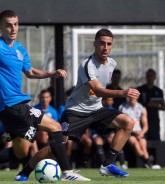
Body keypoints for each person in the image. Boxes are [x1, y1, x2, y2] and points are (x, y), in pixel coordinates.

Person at [0, 10, 90, 182]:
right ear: (1, 26)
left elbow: (31, 72)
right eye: (9, 25)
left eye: (16, 24)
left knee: (20, 152)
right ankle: (67, 171)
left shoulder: (19, 49)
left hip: (11, 109)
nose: (13, 28)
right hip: (14, 106)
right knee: (56, 127)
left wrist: (52, 73)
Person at [17, 28, 140, 178]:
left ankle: (108, 165)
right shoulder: (87, 65)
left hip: (96, 110)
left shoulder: (112, 64)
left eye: (109, 44)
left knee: (127, 122)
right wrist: (123, 92)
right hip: (75, 112)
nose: (105, 47)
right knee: (54, 148)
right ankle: (24, 173)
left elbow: (98, 92)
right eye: (102, 43)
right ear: (94, 44)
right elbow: (97, 90)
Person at [119, 96, 157, 168]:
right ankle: (147, 162)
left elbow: (146, 126)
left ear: (137, 97)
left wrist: (141, 133)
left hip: (139, 132)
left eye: (134, 96)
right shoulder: (122, 107)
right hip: (128, 132)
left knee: (143, 145)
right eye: (130, 96)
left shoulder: (141, 108)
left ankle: (147, 164)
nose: (132, 97)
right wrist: (133, 132)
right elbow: (121, 124)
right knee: (135, 144)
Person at [137, 69, 165, 141]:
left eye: (151, 76)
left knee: (155, 138)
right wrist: (147, 105)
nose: (150, 78)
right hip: (142, 118)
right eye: (148, 76)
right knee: (143, 138)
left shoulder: (158, 91)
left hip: (154, 119)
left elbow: (163, 107)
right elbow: (136, 104)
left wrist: (156, 105)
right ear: (146, 77)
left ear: (154, 77)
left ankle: (156, 153)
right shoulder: (140, 89)